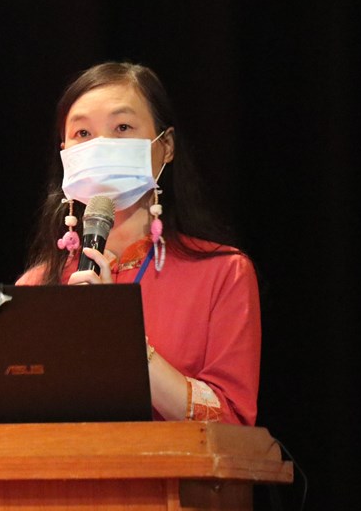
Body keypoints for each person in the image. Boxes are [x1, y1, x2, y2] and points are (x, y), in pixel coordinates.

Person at [16, 62, 260, 426]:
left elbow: (231, 424)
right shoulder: (35, 287)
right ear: (65, 152)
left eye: (122, 128)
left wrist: (122, 334)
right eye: (83, 133)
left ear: (166, 146)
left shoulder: (222, 273)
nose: (100, 147)